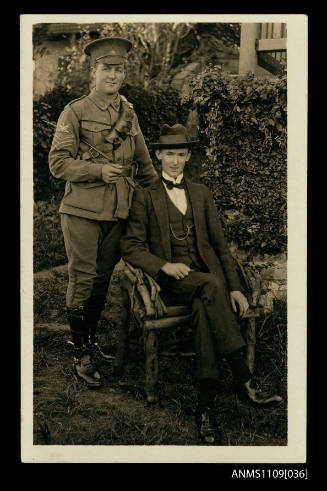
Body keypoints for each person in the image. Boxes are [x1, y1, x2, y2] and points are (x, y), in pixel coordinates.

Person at [120, 124, 282, 444]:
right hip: (171, 282)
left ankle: (205, 407)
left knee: (205, 304)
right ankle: (242, 376)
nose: (175, 161)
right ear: (158, 156)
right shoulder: (144, 196)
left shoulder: (201, 193)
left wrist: (235, 288)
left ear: (188, 157)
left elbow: (221, 248)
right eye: (169, 155)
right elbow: (131, 247)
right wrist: (164, 265)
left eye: (181, 155)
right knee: (210, 287)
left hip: (207, 285)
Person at [49, 37, 157, 388]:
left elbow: (144, 163)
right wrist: (98, 171)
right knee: (82, 277)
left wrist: (161, 197)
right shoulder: (75, 111)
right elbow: (57, 163)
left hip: (118, 212)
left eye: (119, 69)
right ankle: (80, 352)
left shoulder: (129, 112)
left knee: (101, 280)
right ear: (92, 71)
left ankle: (90, 341)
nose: (113, 75)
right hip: (81, 210)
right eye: (106, 69)